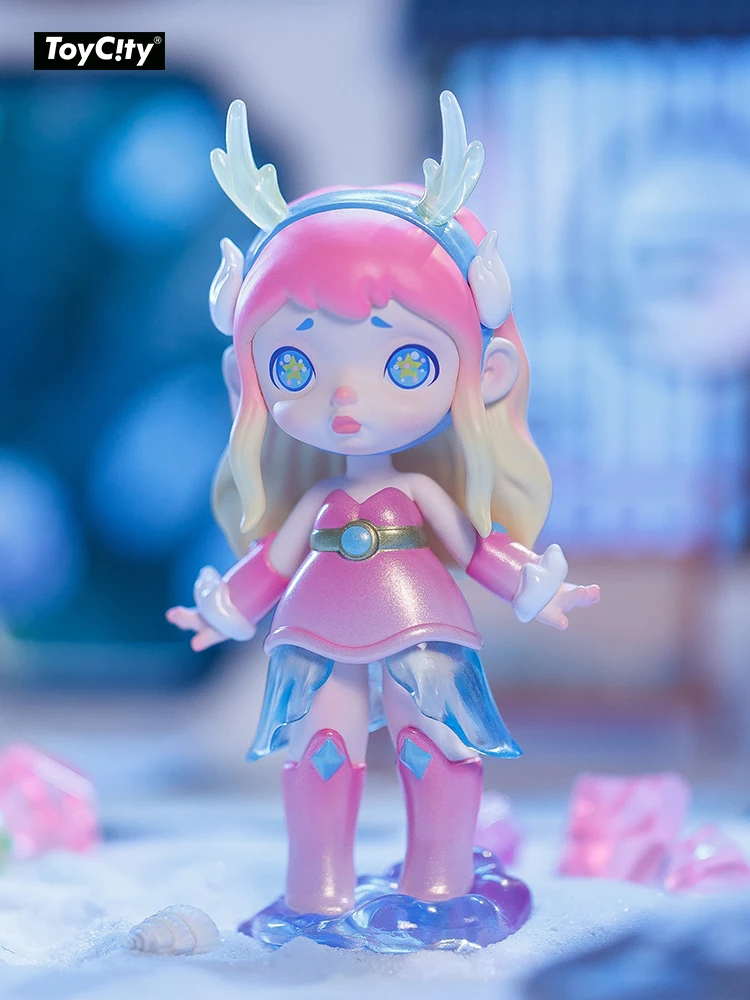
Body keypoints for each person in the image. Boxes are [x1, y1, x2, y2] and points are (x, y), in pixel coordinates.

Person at [167, 92, 599, 947]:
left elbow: (474, 549)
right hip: (317, 621)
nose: (346, 398)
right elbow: (275, 562)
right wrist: (227, 609)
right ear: (247, 377)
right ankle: (316, 889)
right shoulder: (320, 503)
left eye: (403, 362)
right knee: (318, 752)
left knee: (432, 743)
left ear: (485, 370)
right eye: (295, 366)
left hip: (418, 616)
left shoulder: (419, 498)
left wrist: (530, 586)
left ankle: (438, 881)